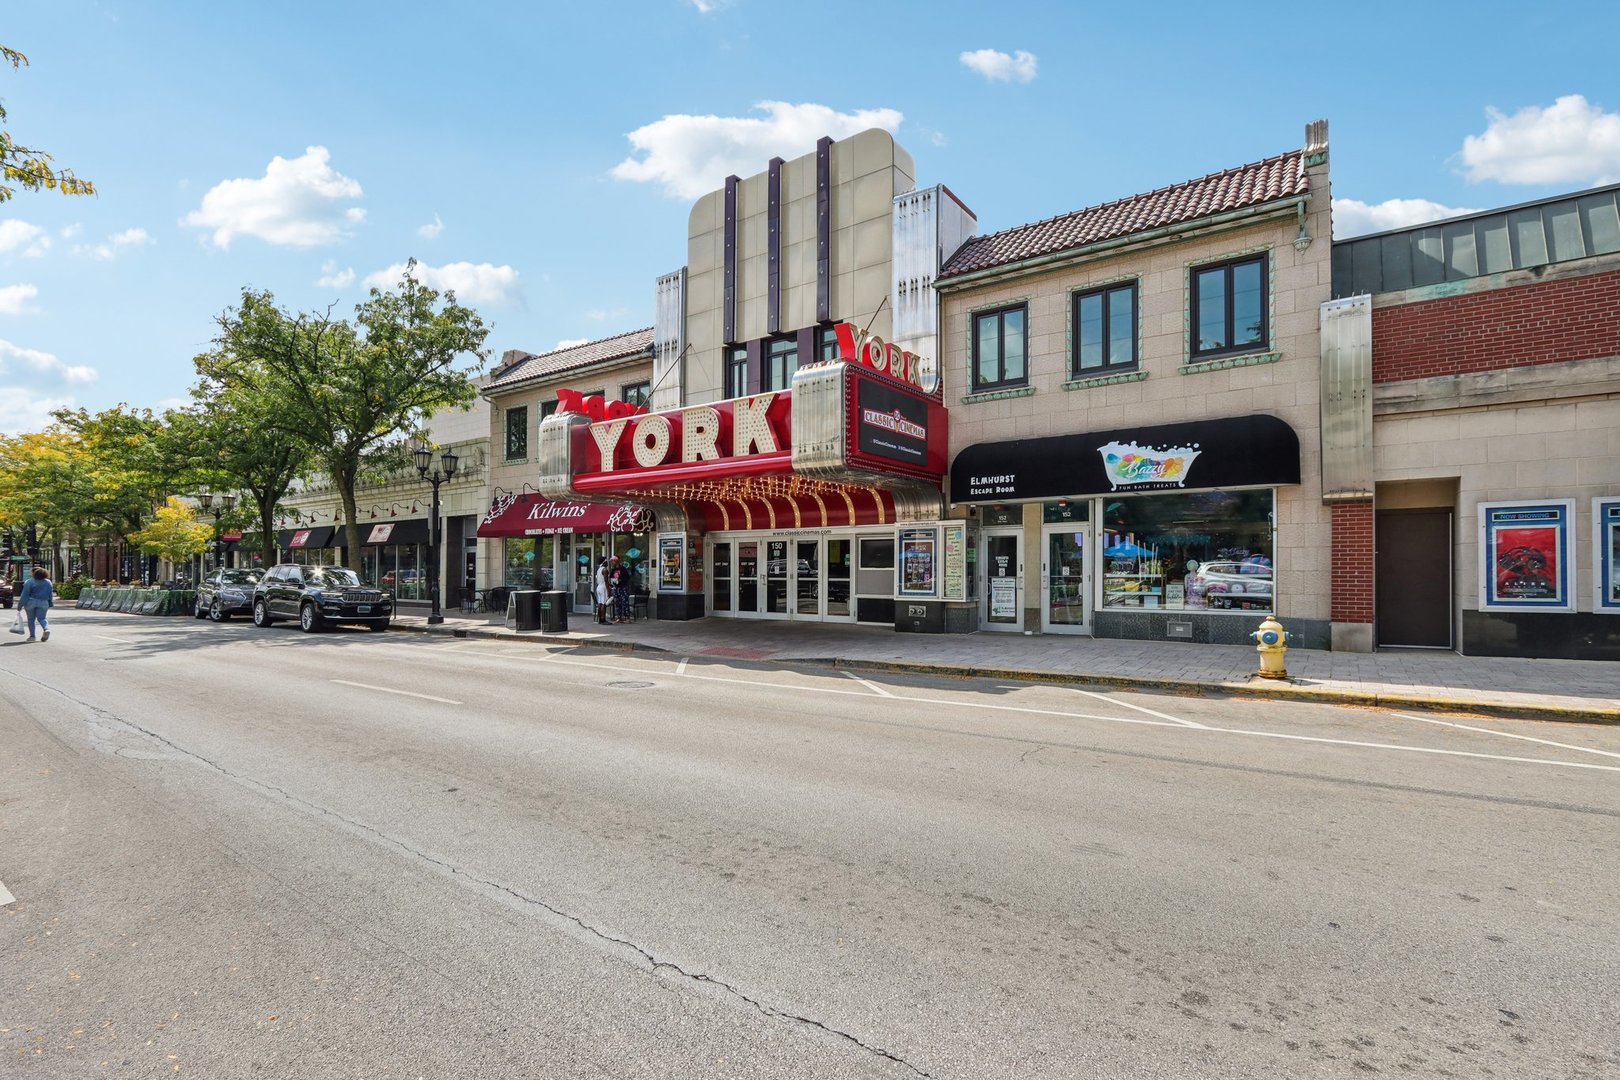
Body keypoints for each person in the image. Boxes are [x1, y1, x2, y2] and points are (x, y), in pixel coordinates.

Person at [19, 566, 54, 642]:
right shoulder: (48, 582)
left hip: (31, 602)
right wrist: (50, 603)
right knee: (42, 618)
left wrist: (20, 605)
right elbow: (50, 594)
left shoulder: (29, 582)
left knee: (31, 619)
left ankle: (32, 636)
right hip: (44, 602)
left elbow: (25, 595)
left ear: (34, 573)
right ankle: (46, 629)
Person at [610, 556, 631, 623]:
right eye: (611, 561)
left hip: (623, 587)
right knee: (617, 602)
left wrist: (620, 580)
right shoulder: (613, 569)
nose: (612, 563)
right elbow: (611, 577)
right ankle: (619, 617)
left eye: (613, 561)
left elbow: (627, 578)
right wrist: (613, 581)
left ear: (616, 561)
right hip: (616, 587)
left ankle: (627, 617)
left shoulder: (622, 569)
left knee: (625, 602)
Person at [594, 555, 612, 625]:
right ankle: (603, 619)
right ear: (604, 562)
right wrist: (609, 590)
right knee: (604, 604)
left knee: (600, 603)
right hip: (603, 587)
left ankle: (600, 619)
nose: (608, 563)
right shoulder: (605, 570)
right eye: (607, 561)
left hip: (599, 587)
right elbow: (606, 581)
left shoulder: (599, 569)